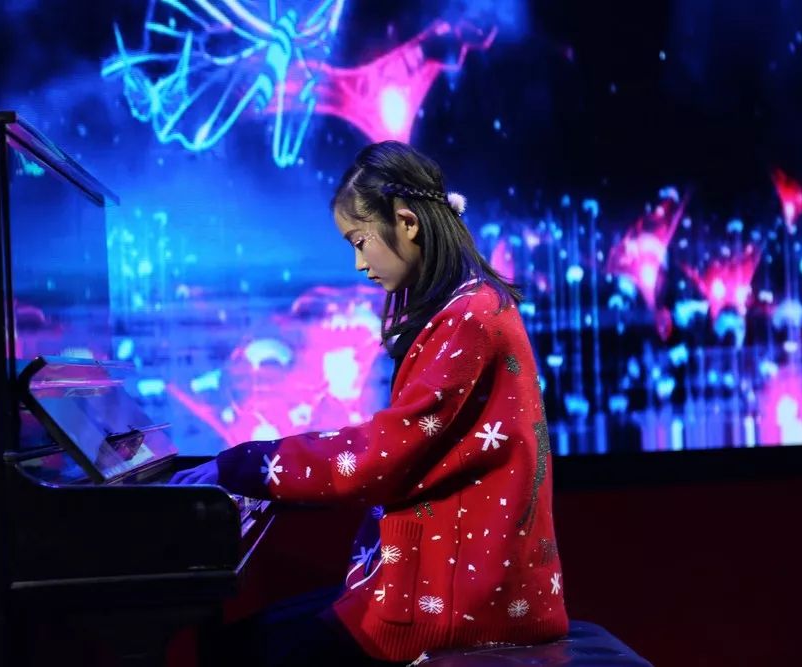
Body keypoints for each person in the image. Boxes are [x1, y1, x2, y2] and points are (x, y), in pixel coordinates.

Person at [172, 140, 568, 665]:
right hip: (447, 580)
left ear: (406, 222)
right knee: (248, 640)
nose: (359, 263)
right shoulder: (472, 306)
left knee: (245, 653)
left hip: (458, 602)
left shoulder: (471, 318)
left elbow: (378, 455)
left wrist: (246, 464)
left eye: (360, 241)